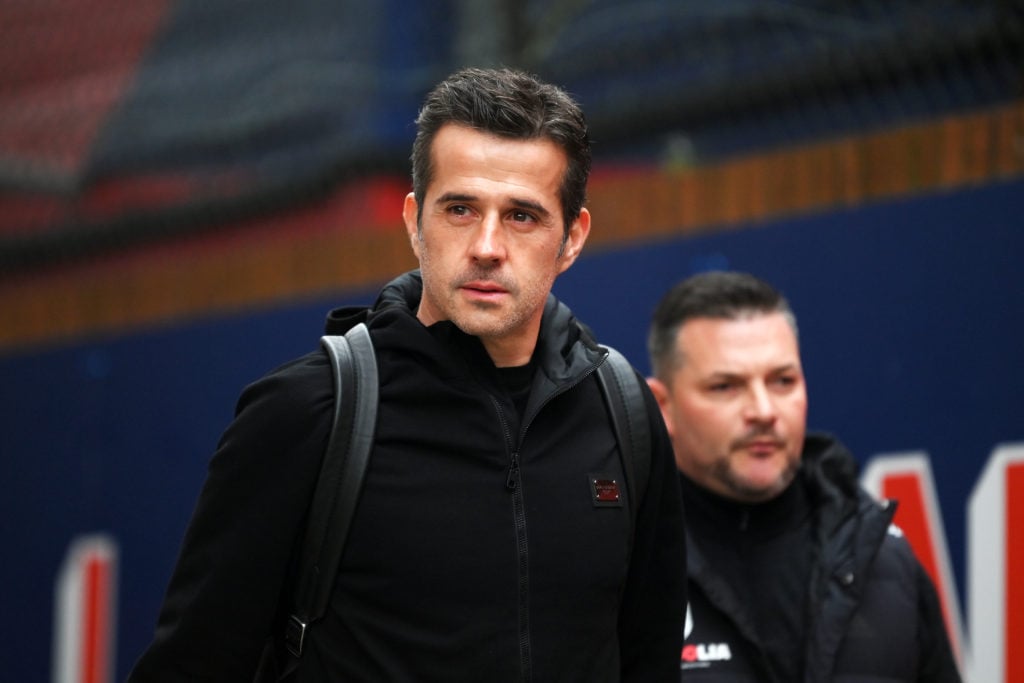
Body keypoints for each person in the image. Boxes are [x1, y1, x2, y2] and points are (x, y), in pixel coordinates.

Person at [128, 67, 687, 682]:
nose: (486, 245)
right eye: (460, 209)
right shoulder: (310, 411)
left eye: (522, 216)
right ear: (413, 221)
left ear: (573, 237)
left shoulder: (622, 414)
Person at [645, 270, 962, 682]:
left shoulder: (884, 562)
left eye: (783, 381)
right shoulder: (627, 566)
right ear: (662, 406)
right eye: (725, 386)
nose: (763, 410)